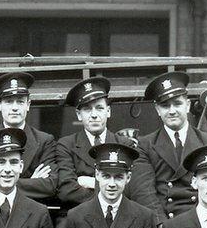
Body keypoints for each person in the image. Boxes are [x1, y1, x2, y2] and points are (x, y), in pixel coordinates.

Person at [129, 72, 207, 220]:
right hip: (163, 224)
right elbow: (144, 194)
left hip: (199, 223)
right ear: (158, 110)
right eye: (165, 106)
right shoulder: (145, 145)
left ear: (188, 105)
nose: (172, 111)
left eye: (177, 104)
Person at [55, 77, 142, 212]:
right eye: (88, 109)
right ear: (79, 115)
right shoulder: (66, 145)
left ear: (108, 111)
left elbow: (133, 189)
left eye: (99, 108)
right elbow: (66, 190)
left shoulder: (125, 144)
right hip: (78, 216)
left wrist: (90, 182)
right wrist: (112, 191)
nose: (94, 115)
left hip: (117, 214)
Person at [0, 72, 57, 207]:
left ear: (28, 104)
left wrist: (0, 182)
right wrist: (32, 181)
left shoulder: (45, 141)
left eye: (20, 102)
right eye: (9, 102)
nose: (15, 108)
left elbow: (50, 185)